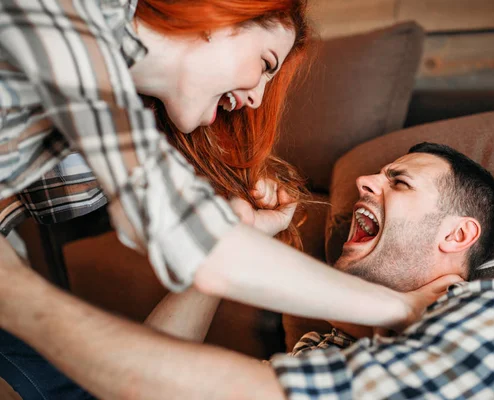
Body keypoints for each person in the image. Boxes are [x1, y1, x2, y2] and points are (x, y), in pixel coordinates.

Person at [0, 143, 494, 399]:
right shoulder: (321, 345)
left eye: (399, 181)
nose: (365, 182)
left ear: (457, 235)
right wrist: (224, 244)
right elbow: (158, 371)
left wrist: (22, 297)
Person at [0, 0, 424, 337]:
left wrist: (231, 214)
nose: (257, 98)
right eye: (265, 64)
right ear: (220, 16)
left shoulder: (127, 104)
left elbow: (69, 199)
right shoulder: (71, 19)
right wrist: (401, 308)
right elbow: (191, 242)